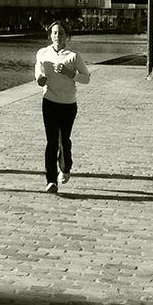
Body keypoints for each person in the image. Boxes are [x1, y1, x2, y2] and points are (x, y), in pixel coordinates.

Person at [34, 19, 91, 193]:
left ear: (67, 36)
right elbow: (38, 71)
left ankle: (65, 167)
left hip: (68, 104)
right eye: (55, 33)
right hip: (49, 101)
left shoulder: (73, 56)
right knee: (51, 141)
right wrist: (40, 79)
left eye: (61, 33)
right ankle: (51, 180)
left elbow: (86, 78)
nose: (57, 36)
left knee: (63, 140)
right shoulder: (42, 53)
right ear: (50, 35)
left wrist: (69, 73)